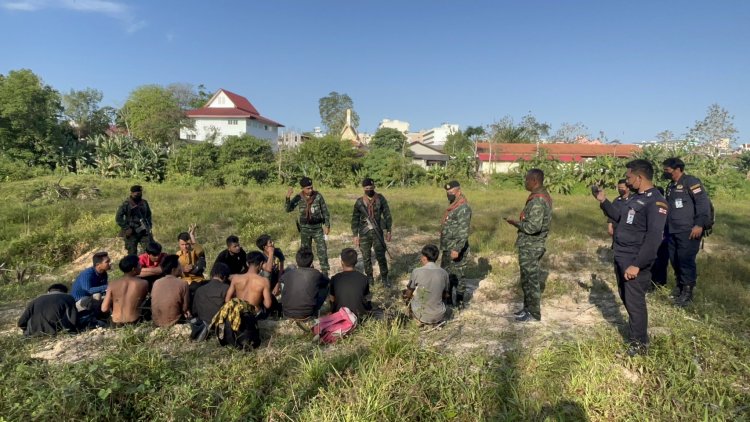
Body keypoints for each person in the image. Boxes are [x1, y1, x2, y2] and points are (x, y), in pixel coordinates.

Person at [594, 159, 668, 357]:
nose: (627, 181)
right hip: (621, 255)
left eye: (628, 177)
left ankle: (639, 344)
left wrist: (637, 264)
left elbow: (654, 238)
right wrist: (603, 200)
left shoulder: (656, 201)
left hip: (635, 259)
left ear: (640, 177)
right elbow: (620, 217)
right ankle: (637, 333)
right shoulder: (635, 198)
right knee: (625, 296)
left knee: (635, 302)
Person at [504, 169, 553, 323]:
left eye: (526, 180)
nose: (525, 182)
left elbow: (533, 227)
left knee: (531, 280)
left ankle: (534, 313)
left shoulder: (538, 199)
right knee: (526, 279)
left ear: (534, 180)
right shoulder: (537, 196)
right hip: (528, 245)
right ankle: (527, 308)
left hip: (532, 246)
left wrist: (515, 223)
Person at [662, 157, 711, 306]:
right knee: (674, 259)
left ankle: (688, 293)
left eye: (667, 170)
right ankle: (680, 286)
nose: (665, 172)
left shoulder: (691, 182)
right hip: (673, 230)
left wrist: (699, 224)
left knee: (685, 260)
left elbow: (703, 203)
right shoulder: (670, 186)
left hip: (689, 230)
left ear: (677, 169)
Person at [285, 177, 331, 275]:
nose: (310, 190)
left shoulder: (318, 196)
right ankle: (307, 271)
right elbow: (288, 209)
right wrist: (288, 198)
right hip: (305, 229)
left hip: (318, 228)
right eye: (308, 188)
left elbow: (325, 211)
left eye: (311, 187)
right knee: (306, 252)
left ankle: (325, 272)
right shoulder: (299, 197)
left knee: (322, 250)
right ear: (302, 188)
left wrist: (327, 225)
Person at [351, 178, 393, 285]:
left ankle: (384, 278)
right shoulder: (359, 202)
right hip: (364, 233)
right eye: (367, 188)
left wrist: (389, 230)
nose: (369, 190)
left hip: (377, 232)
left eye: (371, 188)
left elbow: (387, 214)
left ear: (374, 187)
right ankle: (370, 278)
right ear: (363, 188)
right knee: (366, 257)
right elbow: (355, 218)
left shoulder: (380, 199)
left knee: (381, 256)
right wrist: (355, 235)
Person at [439, 180, 472, 307]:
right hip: (447, 247)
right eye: (447, 192)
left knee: (458, 276)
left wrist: (457, 249)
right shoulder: (453, 205)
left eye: (451, 192)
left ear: (459, 191)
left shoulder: (463, 208)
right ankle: (447, 300)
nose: (449, 194)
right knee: (446, 274)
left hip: (456, 248)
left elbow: (463, 232)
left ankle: (459, 302)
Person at [402, 244, 450, 325]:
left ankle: (416, 319)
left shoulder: (417, 271)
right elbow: (446, 295)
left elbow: (409, 293)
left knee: (405, 294)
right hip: (439, 315)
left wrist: (408, 296)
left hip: (421, 315)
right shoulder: (444, 273)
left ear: (424, 257)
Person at [280, 246, 330, 320]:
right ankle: (317, 312)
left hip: (287, 313)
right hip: (307, 314)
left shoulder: (288, 274)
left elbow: (281, 282)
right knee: (325, 286)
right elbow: (327, 281)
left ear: (297, 261)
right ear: (311, 262)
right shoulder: (315, 273)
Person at [101, 255, 149, 326]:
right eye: (139, 265)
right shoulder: (143, 283)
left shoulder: (112, 284)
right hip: (134, 322)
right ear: (133, 269)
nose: (141, 266)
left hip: (116, 323)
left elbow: (104, 308)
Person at [225, 251, 273, 318]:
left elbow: (227, 299)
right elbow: (268, 304)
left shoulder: (236, 278)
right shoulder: (264, 281)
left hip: (238, 312)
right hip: (253, 315)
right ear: (261, 264)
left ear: (247, 263)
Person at [329, 248, 371, 318]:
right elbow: (366, 298)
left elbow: (332, 299)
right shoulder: (364, 278)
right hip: (360, 317)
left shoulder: (335, 279)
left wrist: (332, 311)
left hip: (340, 316)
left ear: (342, 262)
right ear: (356, 261)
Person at [151, 254, 190, 327]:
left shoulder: (156, 282)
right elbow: (185, 308)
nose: (181, 268)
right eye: (179, 266)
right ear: (173, 270)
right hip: (173, 323)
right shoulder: (183, 283)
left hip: (156, 322)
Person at [115, 185, 153, 256]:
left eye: (140, 193)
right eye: (137, 193)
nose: (138, 195)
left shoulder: (144, 203)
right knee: (132, 254)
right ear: (132, 193)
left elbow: (148, 215)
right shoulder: (126, 204)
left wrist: (149, 226)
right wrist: (126, 228)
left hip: (144, 231)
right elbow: (118, 218)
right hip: (132, 232)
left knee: (150, 251)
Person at [71, 251, 111, 315]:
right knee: (97, 295)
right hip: (79, 302)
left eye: (109, 261)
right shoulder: (87, 274)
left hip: (91, 299)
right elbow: (89, 290)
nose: (110, 263)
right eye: (107, 262)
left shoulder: (103, 273)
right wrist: (108, 286)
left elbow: (104, 289)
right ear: (98, 265)